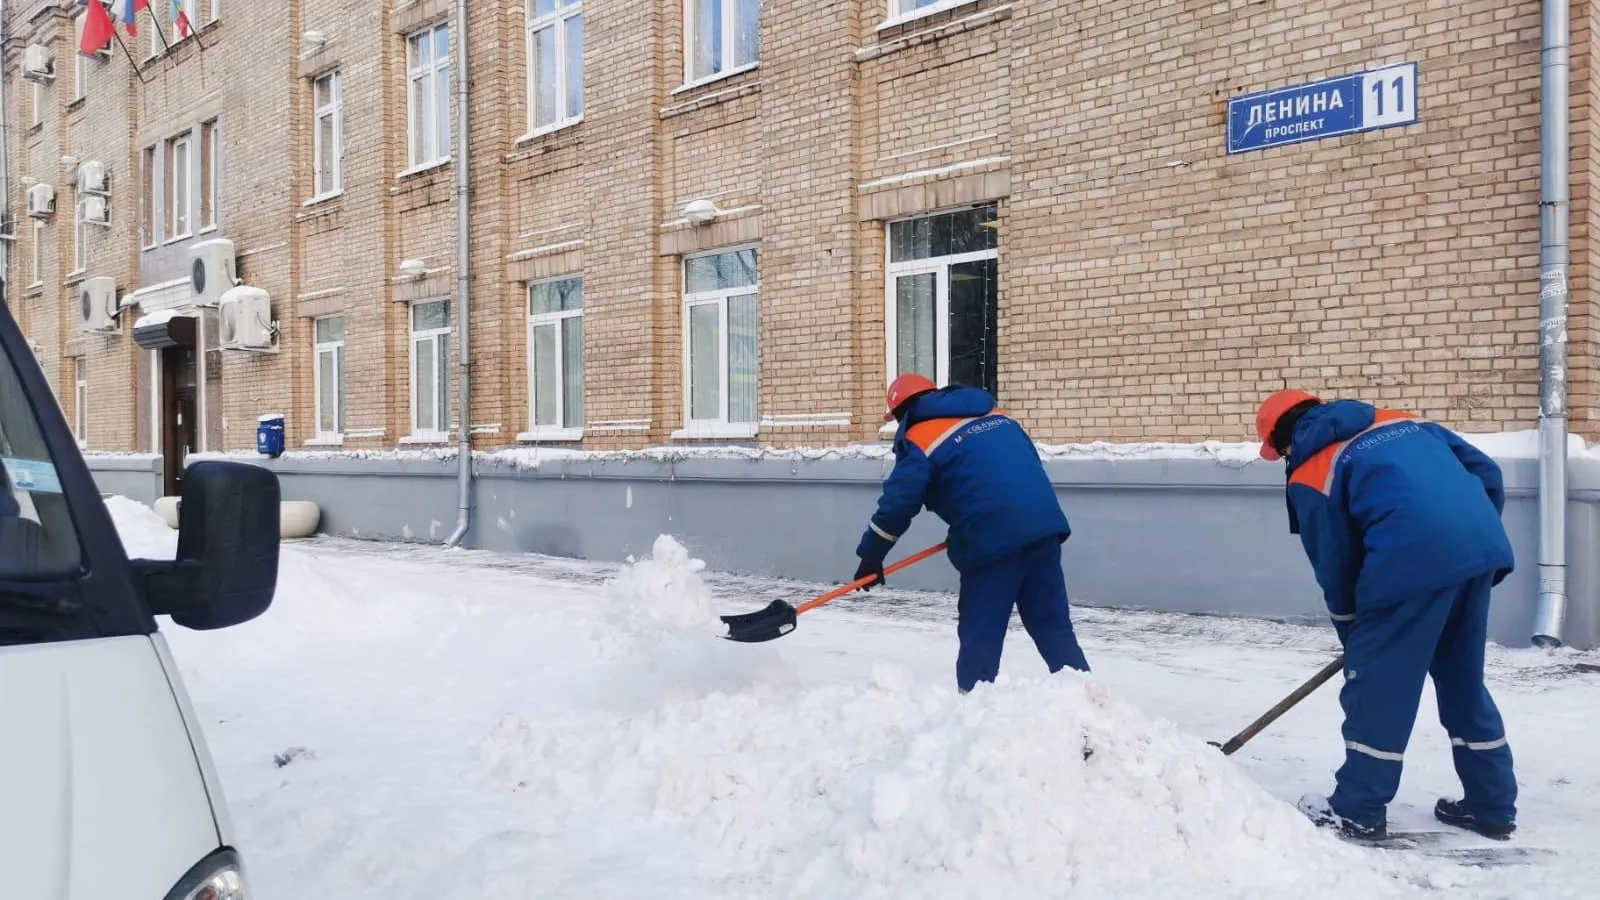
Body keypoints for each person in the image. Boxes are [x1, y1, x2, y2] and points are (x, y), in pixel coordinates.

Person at [1254, 389, 1518, 841]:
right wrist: (1466, 540)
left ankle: (1357, 809)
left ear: (1284, 442)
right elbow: (1486, 473)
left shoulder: (1312, 471)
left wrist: (1354, 633)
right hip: (1478, 554)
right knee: (1462, 681)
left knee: (1378, 691)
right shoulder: (1405, 423)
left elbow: (1334, 563)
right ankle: (1491, 806)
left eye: (1278, 452)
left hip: (1408, 566)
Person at [852, 373, 1091, 693]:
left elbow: (898, 504)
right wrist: (974, 517)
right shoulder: (999, 417)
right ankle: (1091, 707)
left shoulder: (920, 435)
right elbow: (1014, 468)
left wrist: (871, 556)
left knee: (981, 632)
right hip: (1042, 526)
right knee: (1051, 624)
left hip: (991, 541)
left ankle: (973, 713)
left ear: (901, 412)